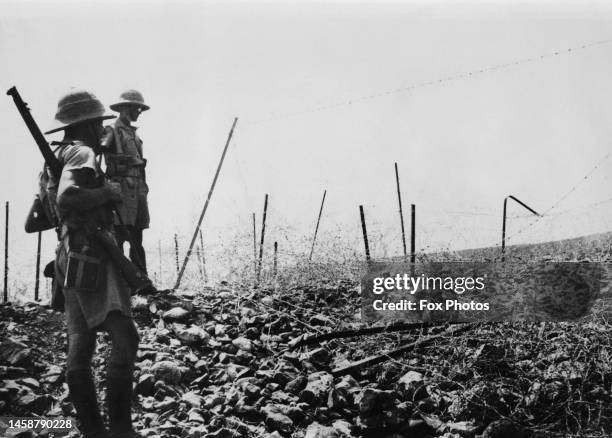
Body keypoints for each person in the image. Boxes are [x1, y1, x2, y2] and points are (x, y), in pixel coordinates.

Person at [41, 89, 140, 438]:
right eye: (98, 121)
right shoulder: (82, 152)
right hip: (92, 254)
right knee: (126, 338)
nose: (102, 126)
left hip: (68, 259)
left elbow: (35, 219)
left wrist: (66, 205)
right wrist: (107, 194)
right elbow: (67, 197)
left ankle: (94, 433)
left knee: (80, 350)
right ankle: (121, 432)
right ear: (86, 124)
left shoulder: (55, 158)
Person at [101, 90, 150, 274]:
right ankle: (121, 281)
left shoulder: (134, 134)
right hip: (121, 189)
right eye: (137, 108)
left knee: (137, 236)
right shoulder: (112, 130)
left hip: (138, 190)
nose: (139, 112)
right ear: (125, 108)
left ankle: (141, 279)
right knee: (120, 235)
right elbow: (103, 153)